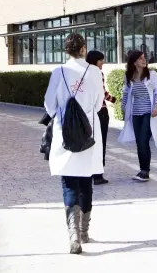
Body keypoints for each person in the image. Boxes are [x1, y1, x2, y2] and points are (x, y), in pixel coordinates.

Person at [44, 33, 103, 254]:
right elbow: (98, 104)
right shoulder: (95, 71)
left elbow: (50, 106)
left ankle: (74, 235)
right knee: (86, 180)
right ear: (83, 49)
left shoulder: (58, 72)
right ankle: (85, 232)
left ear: (66, 50)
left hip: (65, 131)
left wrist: (64, 112)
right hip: (88, 131)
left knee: (69, 181)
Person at [118, 50, 157, 182]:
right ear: (134, 62)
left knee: (143, 141)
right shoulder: (129, 76)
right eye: (141, 58)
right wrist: (123, 109)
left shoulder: (152, 74)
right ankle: (142, 169)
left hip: (148, 114)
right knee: (139, 142)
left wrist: (156, 106)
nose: (144, 60)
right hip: (135, 114)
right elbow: (125, 94)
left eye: (144, 58)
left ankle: (145, 171)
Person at [85, 50, 116, 186]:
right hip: (100, 112)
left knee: (89, 143)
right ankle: (98, 175)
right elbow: (102, 93)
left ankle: (88, 172)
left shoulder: (82, 72)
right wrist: (113, 99)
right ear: (95, 61)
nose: (102, 63)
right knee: (100, 143)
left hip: (86, 113)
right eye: (101, 60)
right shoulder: (98, 73)